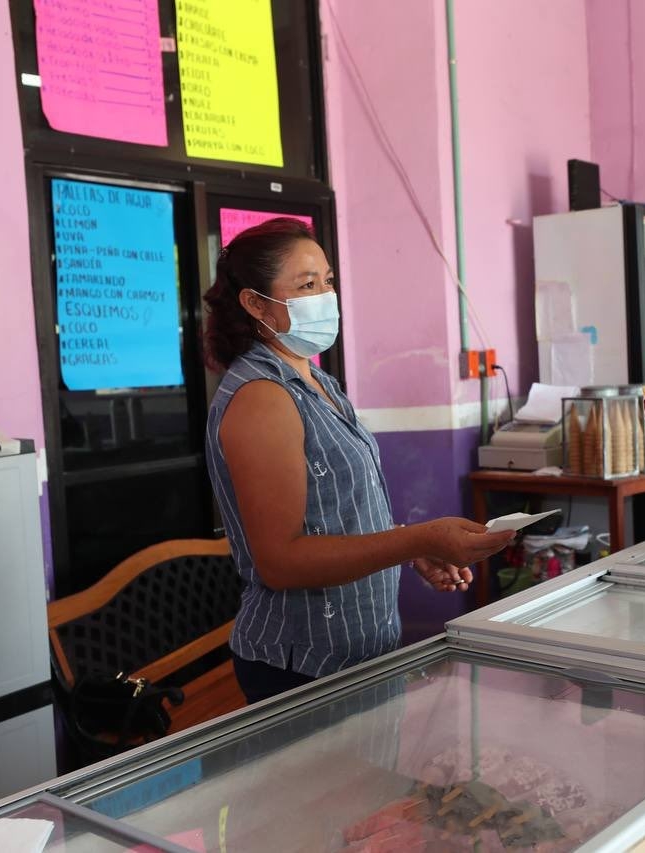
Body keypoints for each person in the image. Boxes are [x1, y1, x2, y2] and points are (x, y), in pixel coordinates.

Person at [203, 218, 514, 703]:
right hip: (302, 665)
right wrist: (418, 536)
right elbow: (280, 562)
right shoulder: (261, 397)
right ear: (255, 303)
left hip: (361, 652)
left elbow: (336, 514)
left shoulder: (320, 385)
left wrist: (410, 551)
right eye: (307, 285)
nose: (326, 296)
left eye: (327, 281)